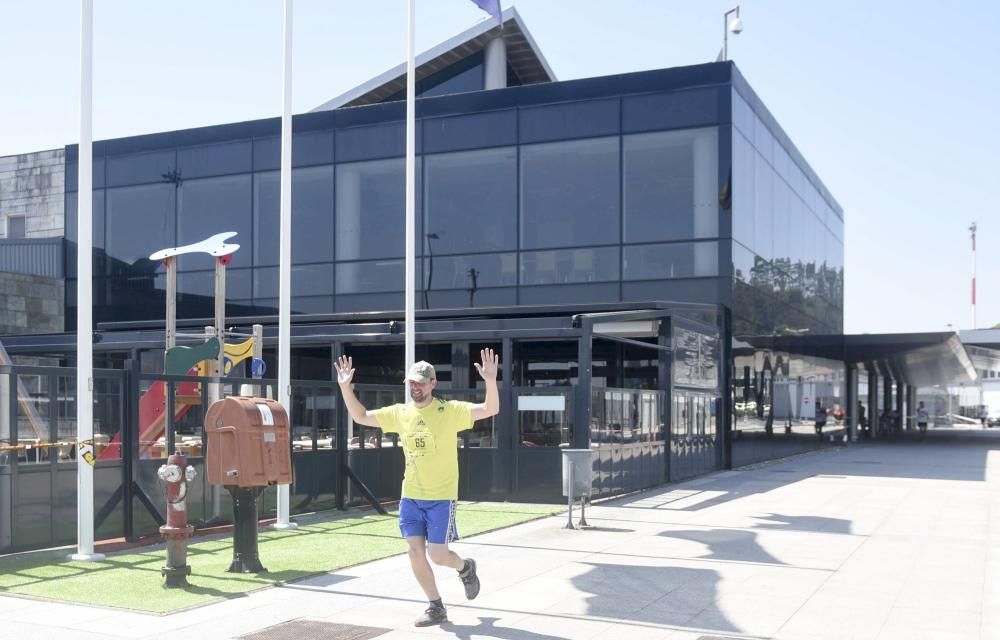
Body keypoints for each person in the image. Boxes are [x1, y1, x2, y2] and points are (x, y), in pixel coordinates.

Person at [335, 349, 500, 627]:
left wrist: (491, 381)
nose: (416, 387)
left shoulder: (449, 411)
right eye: (412, 382)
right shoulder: (400, 413)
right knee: (414, 551)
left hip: (441, 497)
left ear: (433, 384)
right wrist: (344, 387)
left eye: (421, 382)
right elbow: (361, 416)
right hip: (410, 496)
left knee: (438, 556)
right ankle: (436, 606)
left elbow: (490, 409)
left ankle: (465, 567)